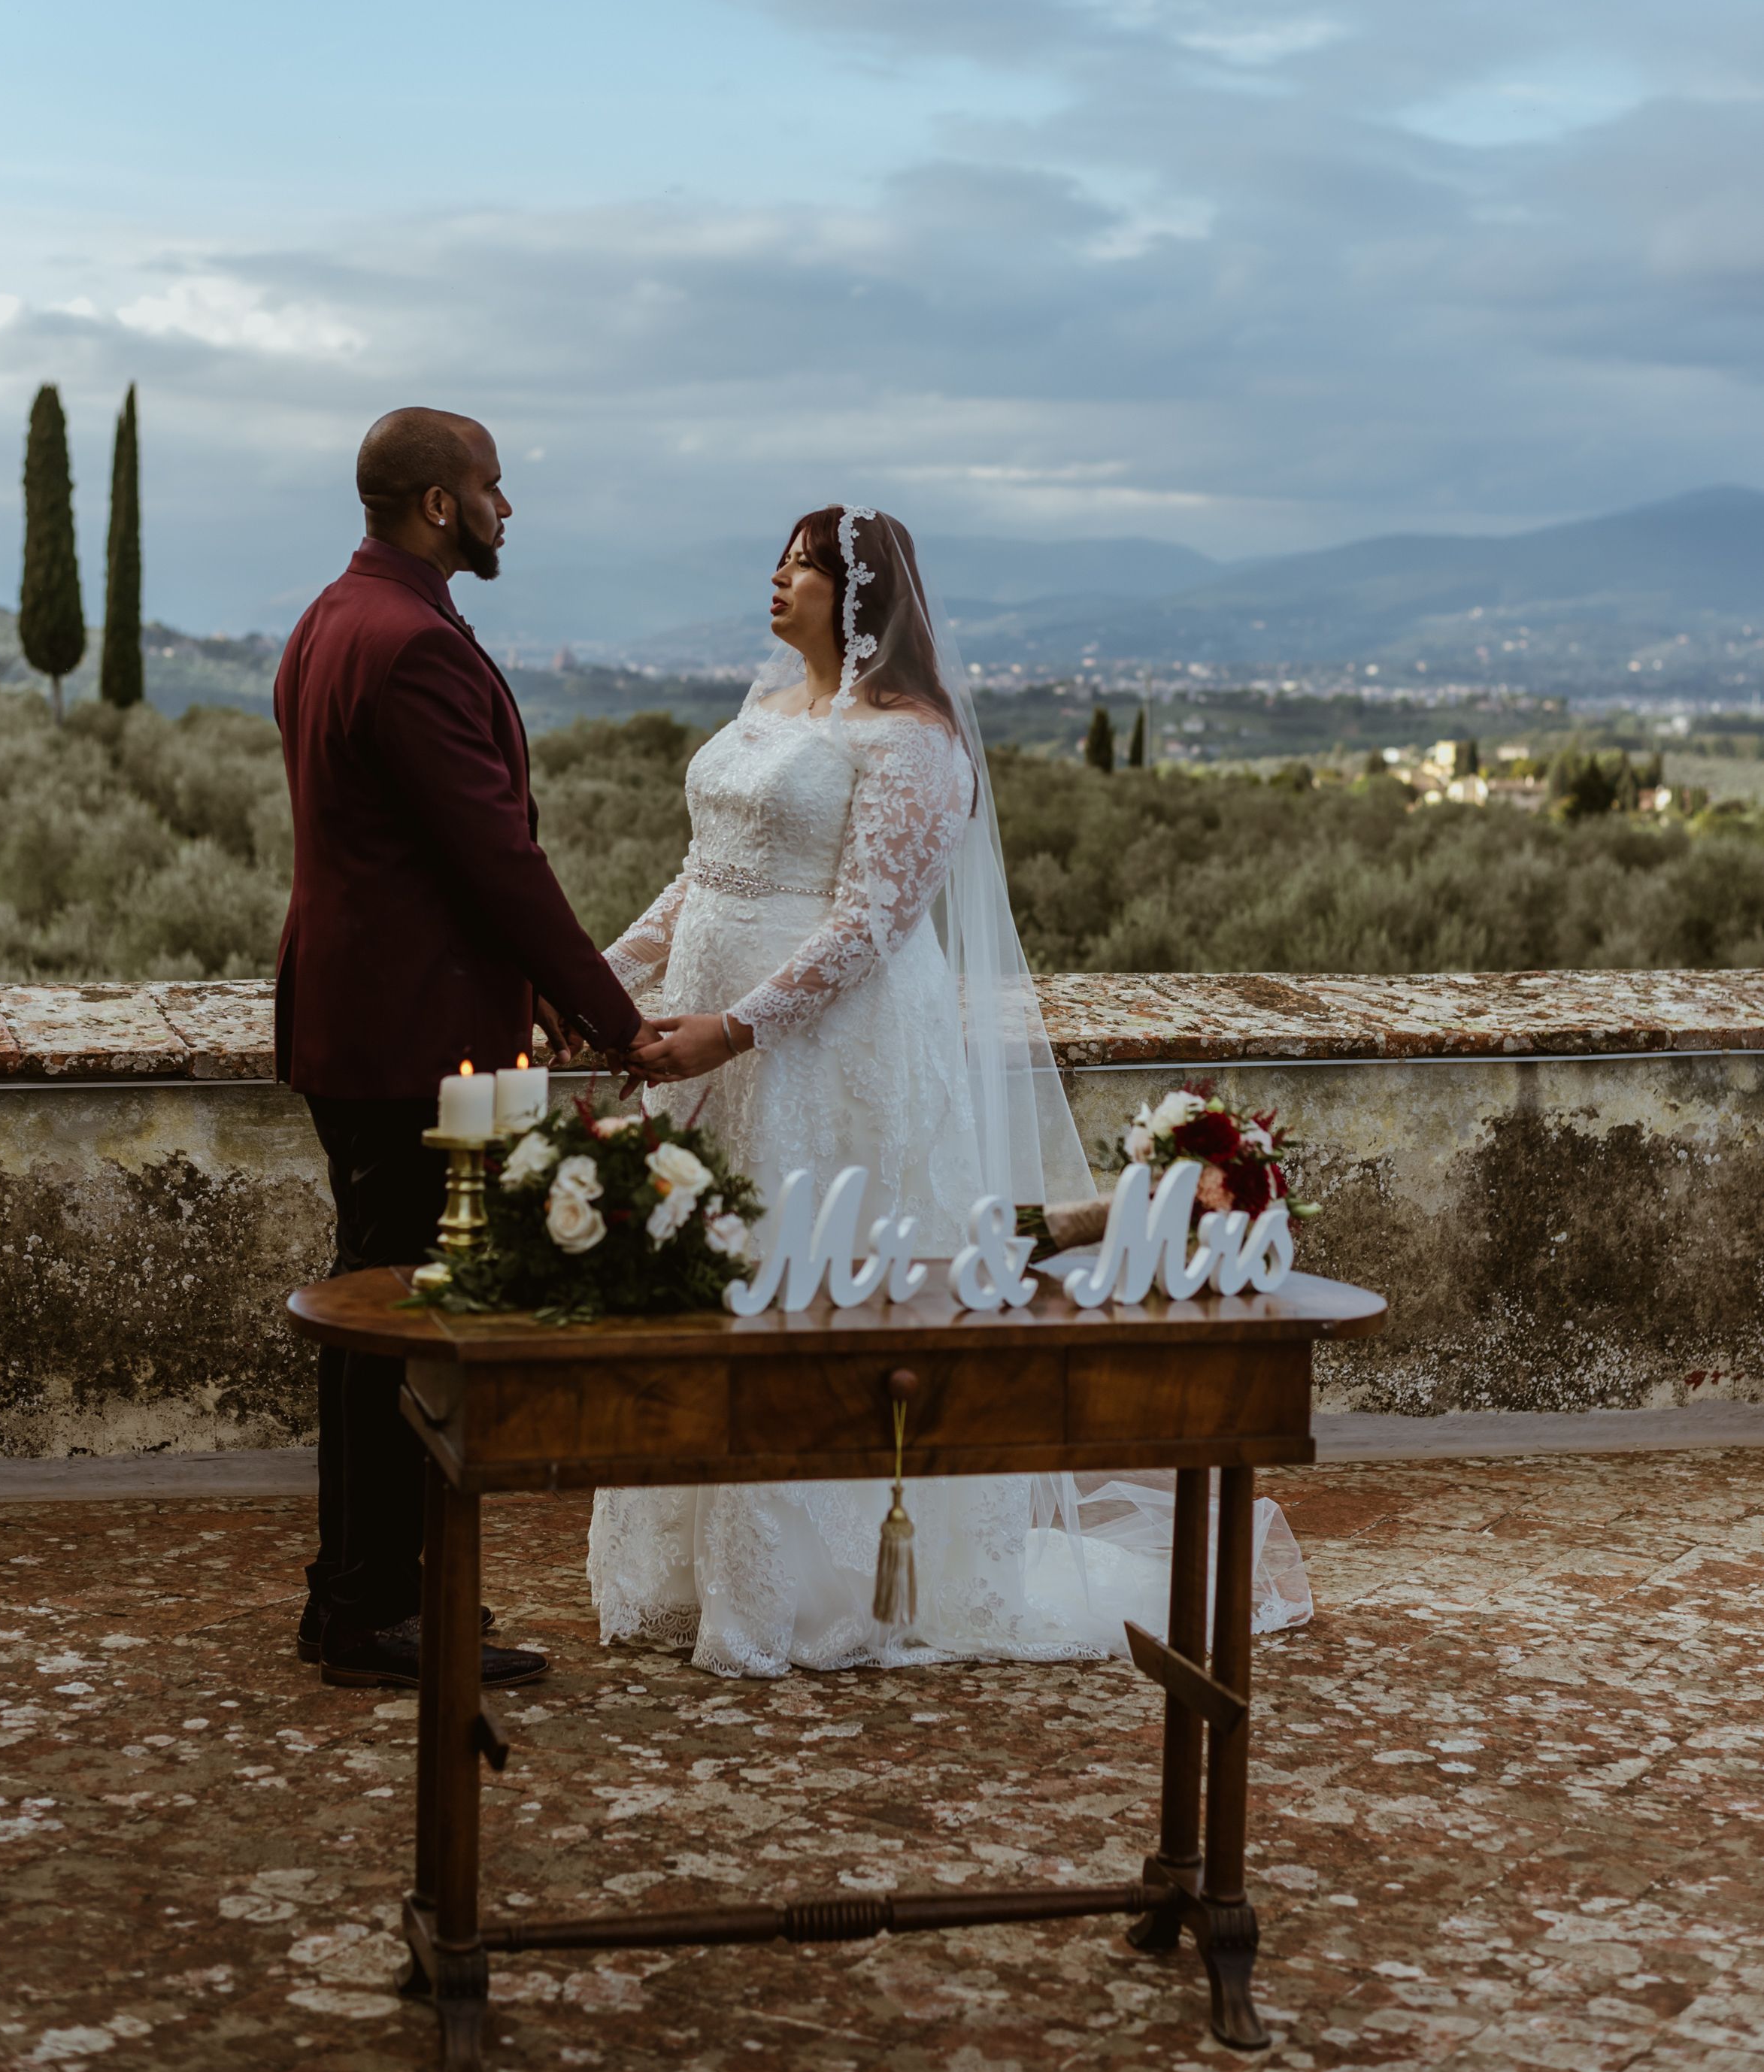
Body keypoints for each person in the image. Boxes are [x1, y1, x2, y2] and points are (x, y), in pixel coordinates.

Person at [589, 504, 1311, 1674]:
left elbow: (873, 921)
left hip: (827, 1054)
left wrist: (734, 1029)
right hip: (705, 1049)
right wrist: (604, 984)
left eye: (808, 569)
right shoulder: (765, 711)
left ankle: (813, 1590)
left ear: (863, 596)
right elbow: (701, 877)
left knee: (812, 1287)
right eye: (777, 562)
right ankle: (695, 1570)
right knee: (705, 1279)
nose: (779, 583)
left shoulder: (915, 739)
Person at [274, 406, 659, 1689]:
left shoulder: (335, 617)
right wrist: (612, 1015)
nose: (507, 509)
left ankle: (352, 1599)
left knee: (369, 1308)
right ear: (440, 503)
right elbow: (494, 856)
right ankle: (379, 1615)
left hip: (356, 1016)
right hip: (408, 1036)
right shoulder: (413, 643)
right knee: (407, 1316)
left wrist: (529, 990)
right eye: (493, 487)